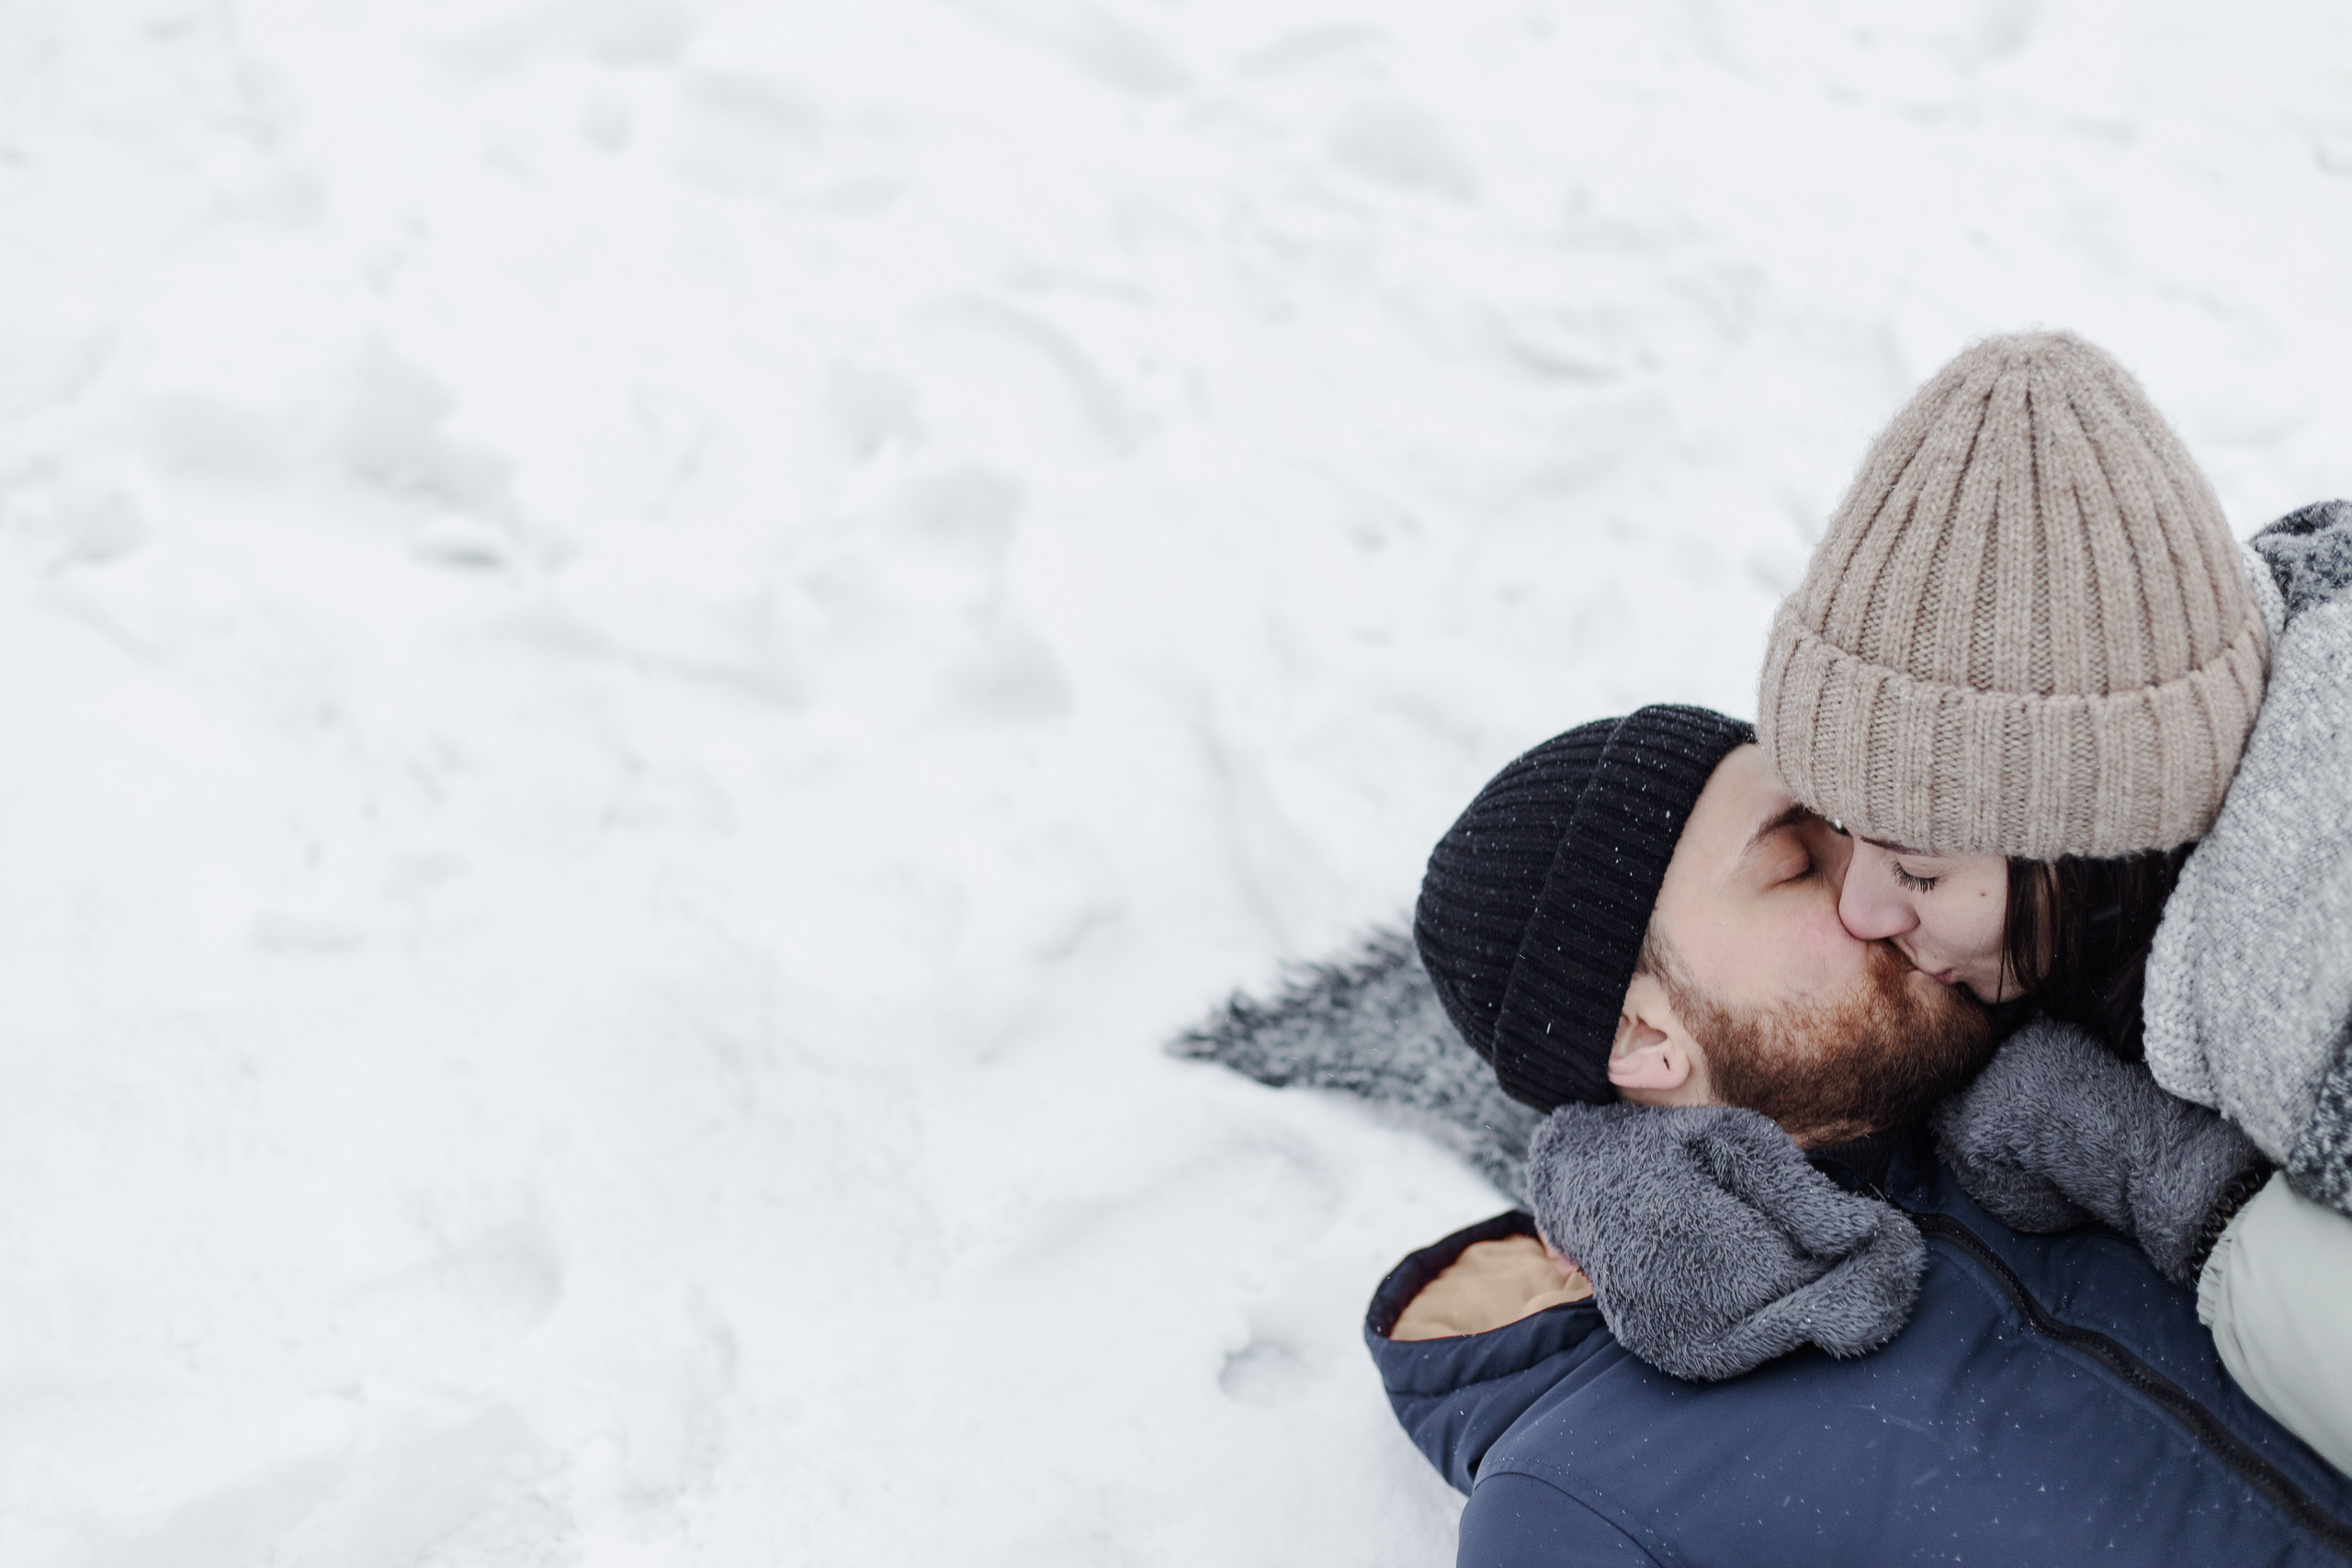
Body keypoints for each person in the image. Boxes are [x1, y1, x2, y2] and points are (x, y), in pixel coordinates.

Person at [1379, 705, 2352, 1565]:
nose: (1878, 887)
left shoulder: (2138, 1029)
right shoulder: (1590, 1496)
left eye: (1858, 823)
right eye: (1799, 862)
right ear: (1643, 1035)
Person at [1754, 332, 2352, 1471]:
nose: (1863, 912)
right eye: (1843, 846)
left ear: (2095, 845)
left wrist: (2156, 1164)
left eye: (1921, 872)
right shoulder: (2259, 622)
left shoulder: (2302, 996)